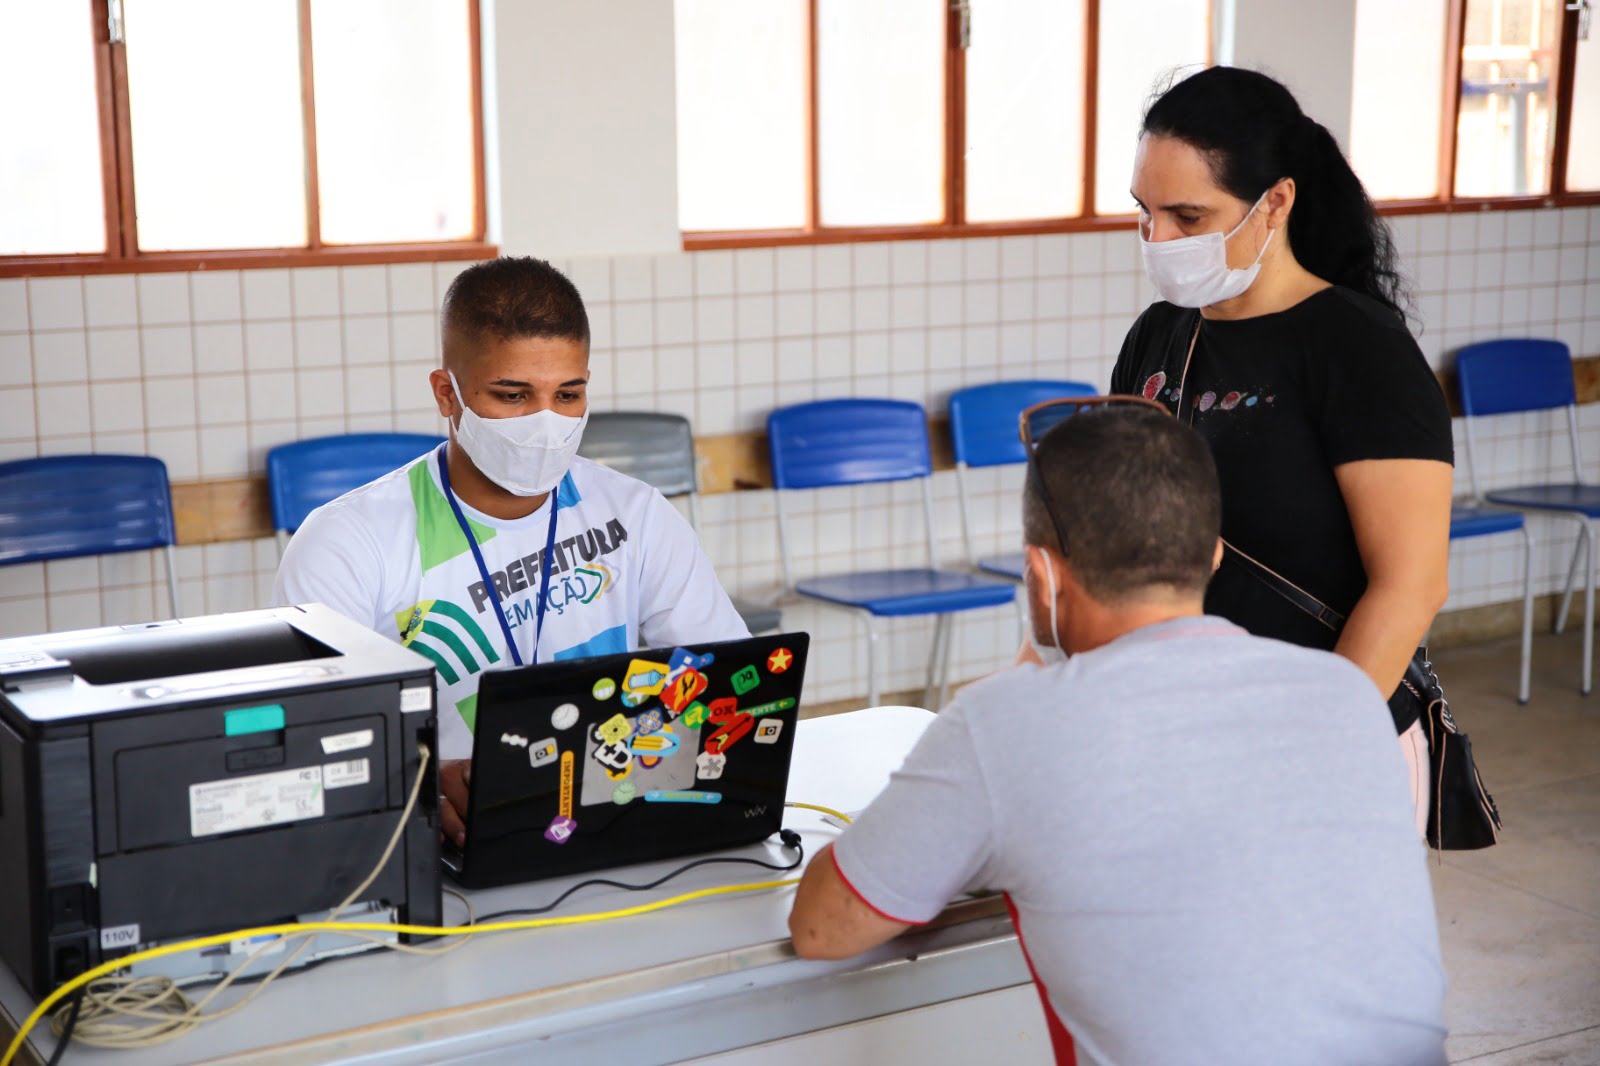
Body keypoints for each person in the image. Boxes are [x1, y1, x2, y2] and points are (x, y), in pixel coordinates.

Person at [788, 403, 1448, 1066]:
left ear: (1040, 575)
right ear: (1214, 556)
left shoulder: (1003, 725)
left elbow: (822, 928)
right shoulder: (1349, 696)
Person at [274, 257, 748, 844]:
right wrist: (417, 781)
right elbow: (310, 738)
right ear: (447, 394)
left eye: (567, 394)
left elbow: (729, 680)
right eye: (512, 395)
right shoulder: (347, 540)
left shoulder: (637, 513)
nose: (546, 424)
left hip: (610, 811)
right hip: (436, 835)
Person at [1108, 67, 1453, 834]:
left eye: (1188, 216)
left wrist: (1309, 753)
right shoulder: (1163, 333)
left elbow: (1411, 585)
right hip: (1187, 723)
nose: (1158, 240)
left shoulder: (1357, 349)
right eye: (1144, 211)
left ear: (1277, 202)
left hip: (1323, 735)